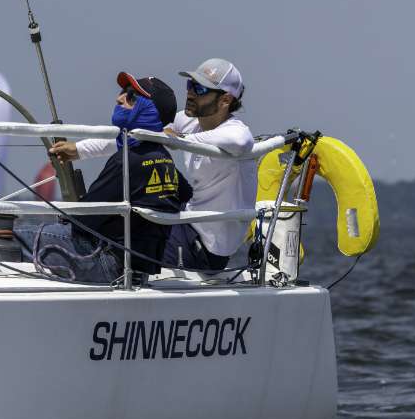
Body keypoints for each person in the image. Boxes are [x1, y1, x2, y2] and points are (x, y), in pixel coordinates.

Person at [15, 73, 192, 283]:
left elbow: (84, 218)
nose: (119, 99)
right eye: (122, 93)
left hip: (106, 263)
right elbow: (185, 193)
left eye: (131, 97)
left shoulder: (126, 160)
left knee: (2, 235)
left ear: (148, 110)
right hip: (138, 268)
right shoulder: (164, 159)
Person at [162, 58, 256, 271]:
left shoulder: (234, 130)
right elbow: (145, 132)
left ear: (225, 100)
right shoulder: (189, 121)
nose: (190, 93)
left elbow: (241, 141)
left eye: (200, 88)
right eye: (189, 85)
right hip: (186, 219)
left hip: (206, 245)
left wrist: (178, 140)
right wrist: (77, 150)